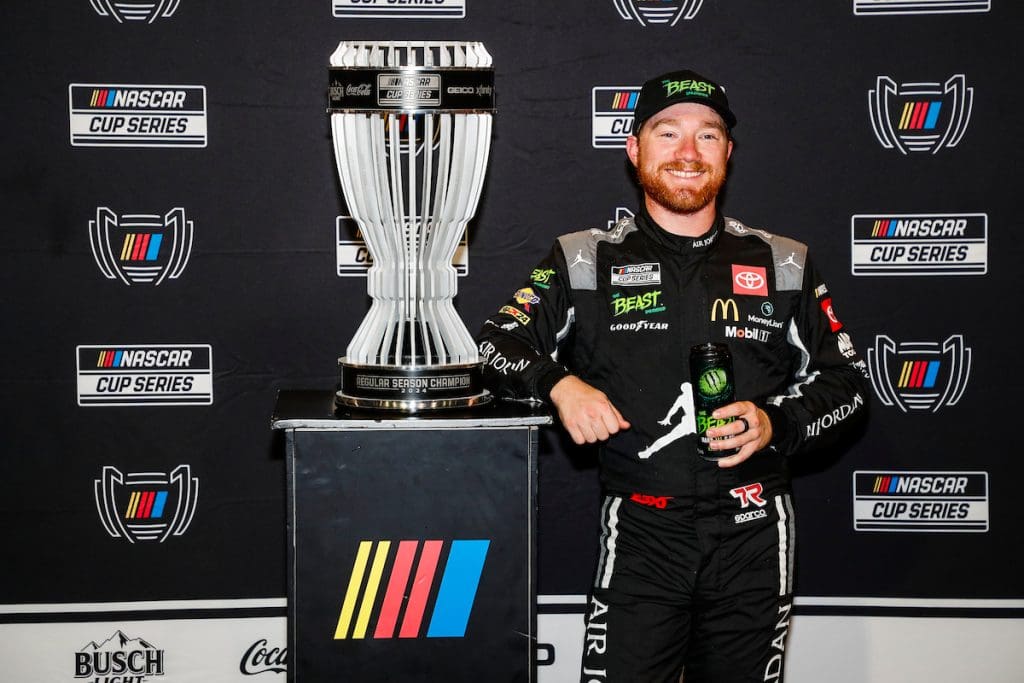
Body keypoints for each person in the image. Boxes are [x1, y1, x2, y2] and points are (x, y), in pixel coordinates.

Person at [476, 68, 869, 682]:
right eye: (667, 133)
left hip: (754, 535)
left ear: (728, 154)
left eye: (707, 136)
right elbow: (494, 346)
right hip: (640, 534)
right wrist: (560, 384)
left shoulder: (782, 260)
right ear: (634, 149)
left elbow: (848, 384)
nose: (687, 153)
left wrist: (777, 422)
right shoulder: (584, 257)